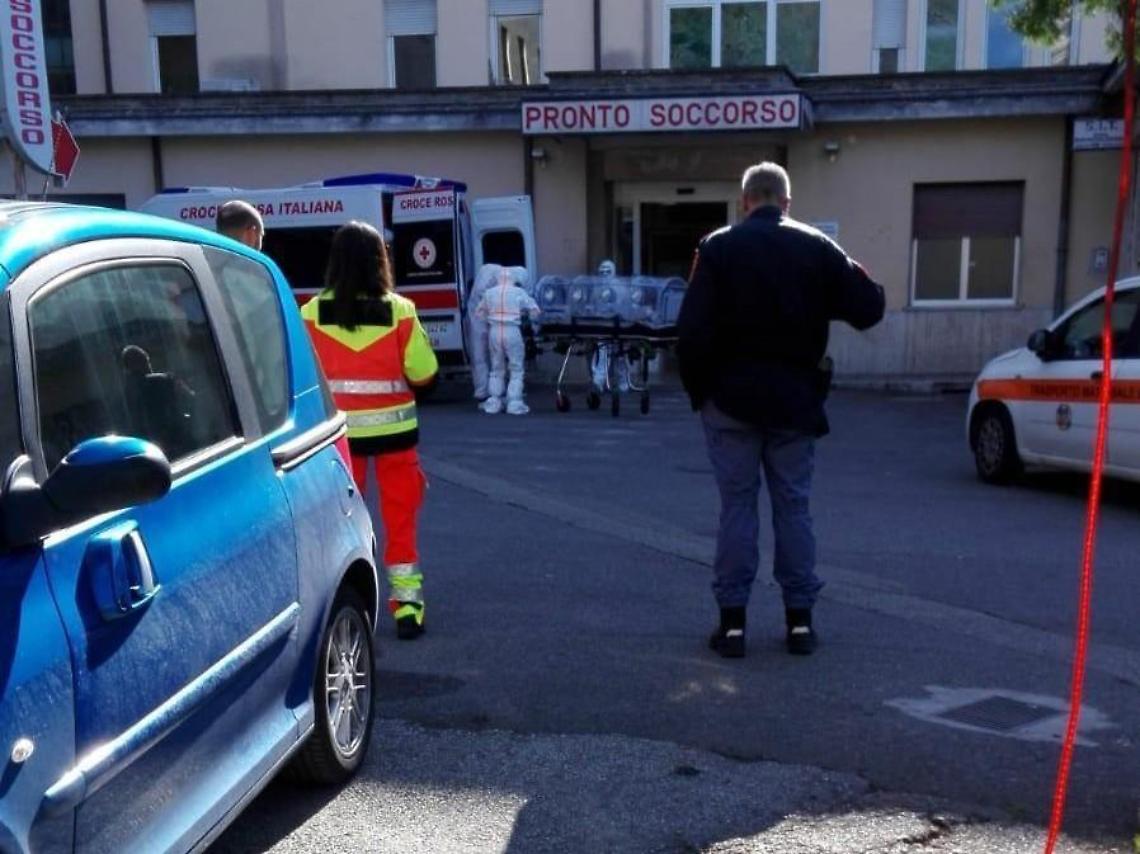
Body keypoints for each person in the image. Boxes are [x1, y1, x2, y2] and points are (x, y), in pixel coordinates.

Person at [677, 162, 885, 659]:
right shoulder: (816, 246)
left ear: (744, 200)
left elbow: (691, 332)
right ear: (786, 203)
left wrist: (700, 394)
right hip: (795, 402)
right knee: (793, 508)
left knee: (737, 509)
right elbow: (870, 306)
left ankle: (731, 627)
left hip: (729, 401)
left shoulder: (717, 247)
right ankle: (799, 624)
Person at [301, 221, 439, 640]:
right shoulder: (400, 311)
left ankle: (345, 606)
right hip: (396, 438)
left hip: (338, 441)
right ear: (380, 260)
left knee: (343, 525)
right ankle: (408, 607)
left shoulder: (309, 314)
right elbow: (425, 372)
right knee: (401, 523)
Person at [476, 266, 539, 415]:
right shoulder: (519, 292)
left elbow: (479, 313)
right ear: (514, 279)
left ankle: (494, 401)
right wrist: (526, 317)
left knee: (496, 368)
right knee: (516, 368)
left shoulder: (489, 293)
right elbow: (535, 311)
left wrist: (491, 319)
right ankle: (514, 402)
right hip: (512, 330)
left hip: (495, 331)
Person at [589, 259, 631, 394]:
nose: (604, 274)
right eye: (602, 271)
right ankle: (598, 383)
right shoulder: (597, 287)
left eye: (608, 271)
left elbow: (625, 305)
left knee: (620, 357)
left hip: (619, 327)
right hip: (604, 326)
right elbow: (593, 305)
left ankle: (623, 383)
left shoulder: (620, 287)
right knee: (603, 355)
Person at [466, 263, 502, 402]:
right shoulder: (489, 276)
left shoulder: (490, 275)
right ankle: (484, 391)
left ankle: (488, 390)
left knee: (483, 354)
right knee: (480, 353)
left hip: (482, 316)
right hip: (478, 315)